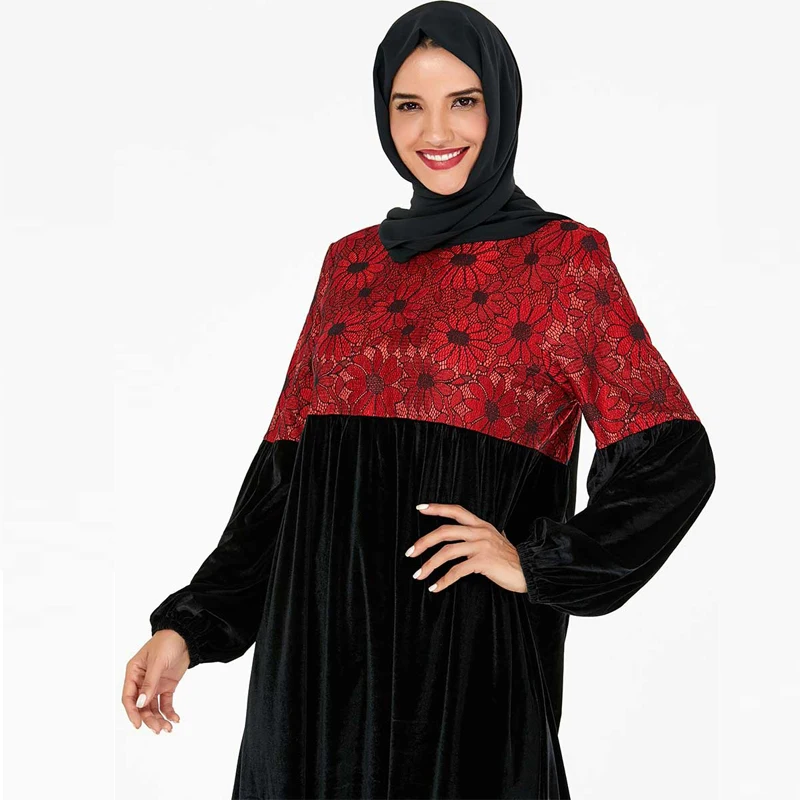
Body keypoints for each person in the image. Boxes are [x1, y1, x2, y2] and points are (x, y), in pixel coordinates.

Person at [121, 2, 716, 797]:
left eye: (463, 100)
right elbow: (283, 478)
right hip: (315, 675)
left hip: (464, 674)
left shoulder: (562, 263)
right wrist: (187, 629)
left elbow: (671, 456)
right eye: (409, 105)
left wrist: (537, 563)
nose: (435, 130)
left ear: (500, 108)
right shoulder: (350, 267)